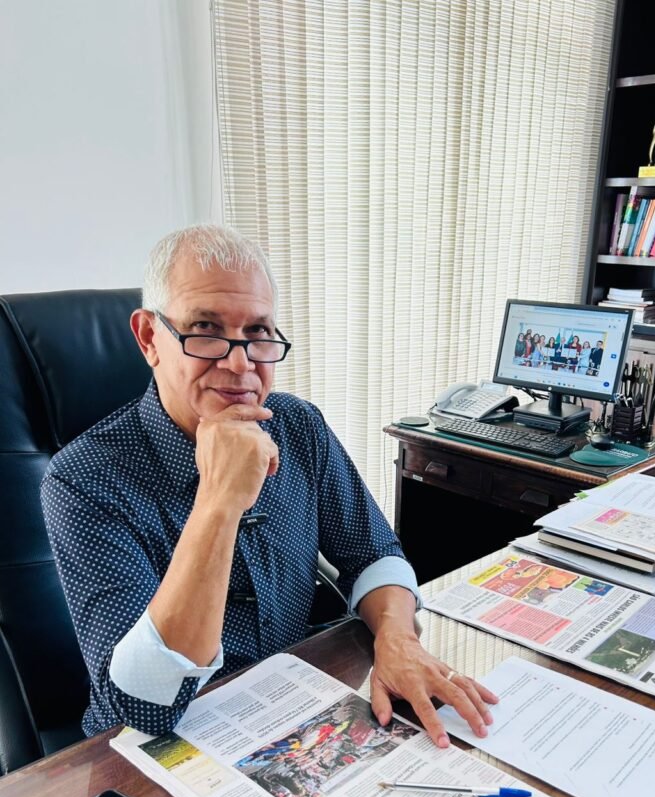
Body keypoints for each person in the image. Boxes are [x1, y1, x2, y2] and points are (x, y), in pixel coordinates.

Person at [41, 225, 497, 747]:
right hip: (149, 748)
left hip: (291, 705)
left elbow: (374, 552)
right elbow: (143, 706)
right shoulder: (83, 479)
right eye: (205, 328)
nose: (240, 363)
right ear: (149, 338)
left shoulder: (296, 425)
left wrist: (396, 637)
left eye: (258, 332)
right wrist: (218, 501)